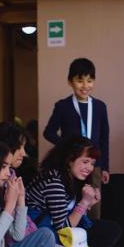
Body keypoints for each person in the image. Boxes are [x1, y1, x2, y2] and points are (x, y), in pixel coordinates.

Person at [0, 121, 78, 247]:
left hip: (23, 242)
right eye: (19, 147)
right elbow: (4, 234)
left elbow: (24, 222)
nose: (24, 153)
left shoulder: (12, 176)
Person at [26, 136, 121, 247]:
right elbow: (64, 230)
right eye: (85, 162)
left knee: (111, 229)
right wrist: (84, 202)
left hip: (63, 235)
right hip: (46, 239)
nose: (89, 168)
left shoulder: (72, 178)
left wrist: (88, 204)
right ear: (69, 159)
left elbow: (72, 219)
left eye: (92, 163)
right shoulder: (54, 182)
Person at [42, 58, 111, 218]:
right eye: (80, 81)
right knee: (69, 201)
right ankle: (69, 234)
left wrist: (105, 166)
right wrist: (68, 146)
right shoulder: (63, 106)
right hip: (70, 163)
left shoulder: (100, 107)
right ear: (70, 82)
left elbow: (104, 138)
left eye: (90, 80)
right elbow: (49, 132)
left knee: (94, 206)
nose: (85, 86)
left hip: (94, 164)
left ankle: (92, 238)